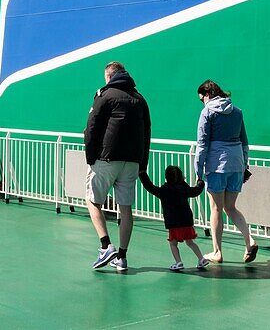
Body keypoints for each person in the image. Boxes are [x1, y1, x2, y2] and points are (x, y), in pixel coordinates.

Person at [83, 61, 151, 272]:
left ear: (109, 77)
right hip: (131, 161)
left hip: (106, 158)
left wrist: (90, 156)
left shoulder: (105, 95)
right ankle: (121, 257)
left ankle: (106, 246)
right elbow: (147, 132)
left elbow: (92, 126)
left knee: (92, 201)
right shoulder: (140, 99)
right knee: (125, 208)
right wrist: (142, 163)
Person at [195, 79, 257, 263]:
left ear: (207, 95)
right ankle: (250, 241)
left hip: (217, 164)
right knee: (230, 207)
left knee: (216, 208)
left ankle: (217, 251)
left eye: (201, 99)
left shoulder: (207, 112)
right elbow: (245, 142)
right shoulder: (237, 112)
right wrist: (244, 165)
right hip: (236, 163)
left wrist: (198, 170)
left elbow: (202, 144)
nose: (202, 102)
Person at [138, 165, 210, 271]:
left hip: (174, 223)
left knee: (173, 243)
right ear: (181, 176)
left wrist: (142, 174)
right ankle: (201, 258)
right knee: (190, 242)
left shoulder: (164, 190)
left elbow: (150, 187)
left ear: (167, 177)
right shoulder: (184, 188)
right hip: (186, 221)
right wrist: (200, 183)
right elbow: (196, 191)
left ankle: (178, 262)